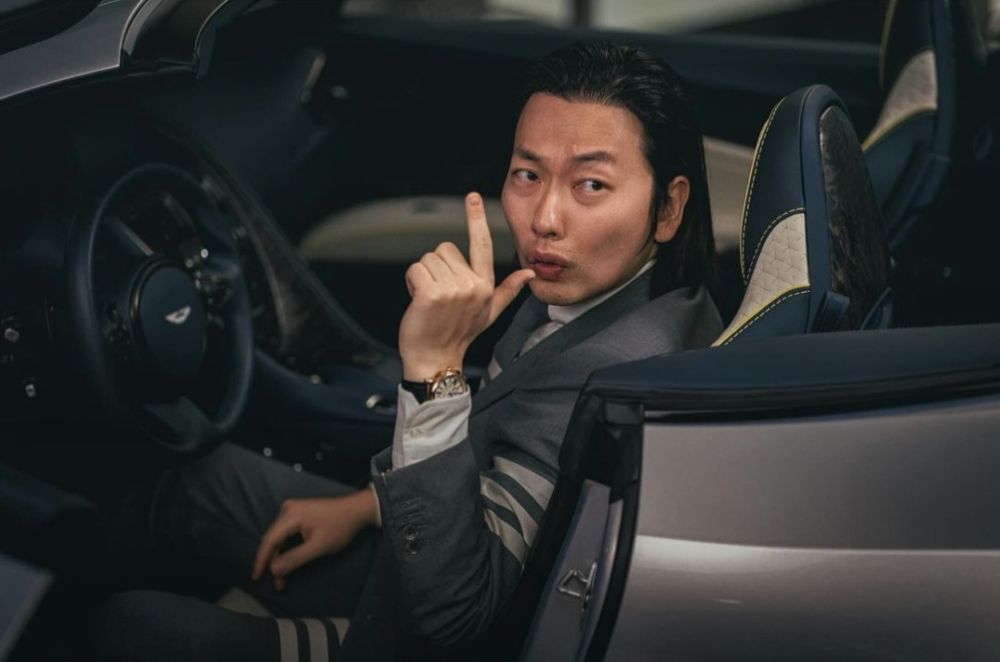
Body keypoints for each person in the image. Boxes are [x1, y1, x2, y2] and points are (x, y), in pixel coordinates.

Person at [93, 41, 722, 661]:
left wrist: (434, 372)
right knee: (198, 481)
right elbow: (495, 439)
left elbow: (453, 613)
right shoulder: (627, 292)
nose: (545, 219)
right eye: (528, 175)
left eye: (591, 184)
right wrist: (366, 506)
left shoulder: (612, 377)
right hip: (419, 550)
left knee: (132, 626)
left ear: (669, 208)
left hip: (426, 626)